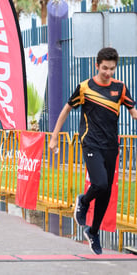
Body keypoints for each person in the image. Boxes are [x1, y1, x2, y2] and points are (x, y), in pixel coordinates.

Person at [49, 47, 137, 255]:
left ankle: (93, 231)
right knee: (100, 183)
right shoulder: (84, 87)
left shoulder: (120, 88)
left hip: (111, 145)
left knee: (105, 192)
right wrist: (54, 136)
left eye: (112, 69)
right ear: (96, 65)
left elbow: (133, 112)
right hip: (91, 143)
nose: (108, 72)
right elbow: (66, 109)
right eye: (105, 68)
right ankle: (84, 200)